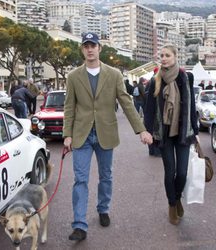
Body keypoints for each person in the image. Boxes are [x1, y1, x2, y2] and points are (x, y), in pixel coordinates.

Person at [63, 32, 153, 241]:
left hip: (106, 132)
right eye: (86, 45)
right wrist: (67, 135)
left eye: (93, 45)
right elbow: (69, 108)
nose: (90, 49)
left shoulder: (113, 74)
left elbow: (126, 102)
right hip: (81, 135)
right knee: (80, 179)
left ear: (99, 48)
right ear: (82, 49)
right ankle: (79, 225)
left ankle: (103, 208)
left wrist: (141, 130)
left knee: (106, 176)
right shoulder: (73, 76)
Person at [144, 44, 199, 225]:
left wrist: (195, 130)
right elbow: (149, 110)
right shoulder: (155, 80)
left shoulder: (186, 77)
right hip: (165, 134)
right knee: (170, 172)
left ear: (175, 56)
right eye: (162, 55)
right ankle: (172, 205)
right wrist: (146, 131)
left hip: (183, 131)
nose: (164, 58)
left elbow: (191, 104)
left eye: (167, 55)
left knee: (182, 173)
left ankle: (177, 199)